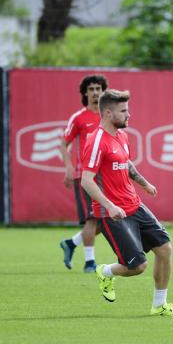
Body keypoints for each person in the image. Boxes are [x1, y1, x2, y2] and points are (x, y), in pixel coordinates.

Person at [81, 89, 173, 316]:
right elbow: (86, 181)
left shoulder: (122, 136)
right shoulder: (96, 141)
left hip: (135, 205)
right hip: (113, 213)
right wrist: (109, 205)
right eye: (124, 111)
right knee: (137, 267)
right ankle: (105, 272)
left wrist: (144, 183)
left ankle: (159, 306)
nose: (129, 115)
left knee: (165, 249)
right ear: (108, 113)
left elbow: (126, 164)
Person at [59, 74, 107, 272]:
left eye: (98, 89)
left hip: (105, 175)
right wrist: (69, 166)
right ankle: (89, 262)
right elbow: (64, 144)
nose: (95, 93)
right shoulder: (79, 118)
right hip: (85, 175)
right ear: (85, 93)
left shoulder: (108, 116)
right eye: (91, 89)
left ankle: (71, 243)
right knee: (92, 218)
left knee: (106, 220)